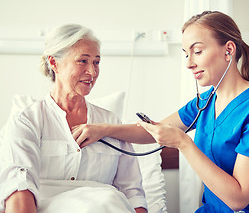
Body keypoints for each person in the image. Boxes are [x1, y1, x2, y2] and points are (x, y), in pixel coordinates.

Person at [72, 11, 249, 213]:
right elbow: (153, 132)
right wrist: (103, 129)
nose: (189, 63)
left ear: (229, 50)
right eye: (186, 54)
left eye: (197, 51)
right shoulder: (204, 102)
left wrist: (183, 143)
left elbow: (238, 198)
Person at [0, 24, 147, 213]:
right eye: (82, 61)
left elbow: (132, 192)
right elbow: (19, 188)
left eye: (96, 62)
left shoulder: (111, 123)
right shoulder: (27, 121)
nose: (92, 72)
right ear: (54, 63)